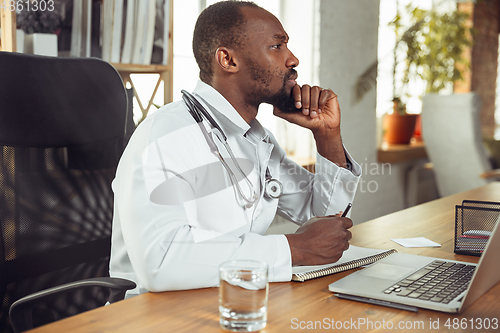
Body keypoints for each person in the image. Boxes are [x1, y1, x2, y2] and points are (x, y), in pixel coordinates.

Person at [109, 0, 361, 295]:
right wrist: (293, 248)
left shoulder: (255, 138)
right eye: (277, 47)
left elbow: (324, 220)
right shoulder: (166, 135)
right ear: (227, 60)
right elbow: (161, 261)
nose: (292, 60)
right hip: (155, 316)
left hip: (232, 300)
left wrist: (328, 136)